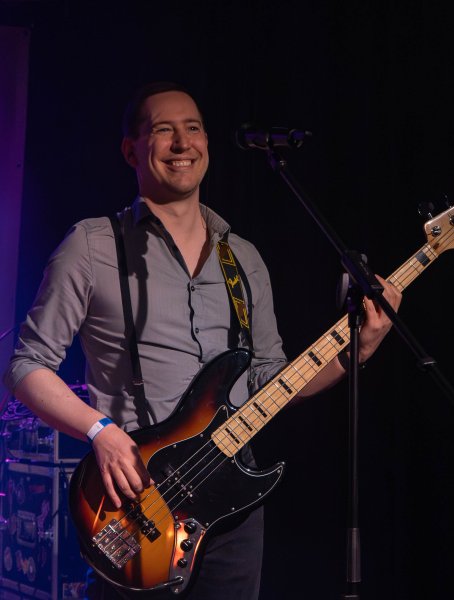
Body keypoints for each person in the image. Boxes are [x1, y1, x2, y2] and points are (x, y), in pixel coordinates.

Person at [3, 81, 402, 599]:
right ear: (131, 150)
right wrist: (100, 431)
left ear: (207, 143)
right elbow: (27, 366)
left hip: (233, 504)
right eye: (163, 130)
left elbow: (268, 378)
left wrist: (357, 350)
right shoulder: (92, 246)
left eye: (192, 128)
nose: (181, 143)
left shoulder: (244, 258)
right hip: (136, 505)